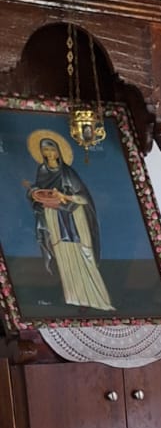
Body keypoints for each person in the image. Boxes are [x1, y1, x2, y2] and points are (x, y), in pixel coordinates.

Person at [26, 131, 114, 312]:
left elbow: (83, 197)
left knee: (83, 254)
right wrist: (33, 192)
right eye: (45, 150)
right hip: (53, 216)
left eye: (52, 149)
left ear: (59, 151)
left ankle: (96, 297)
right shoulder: (42, 170)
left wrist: (64, 196)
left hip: (74, 217)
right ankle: (75, 297)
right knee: (64, 255)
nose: (49, 153)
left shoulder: (68, 173)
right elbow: (38, 189)